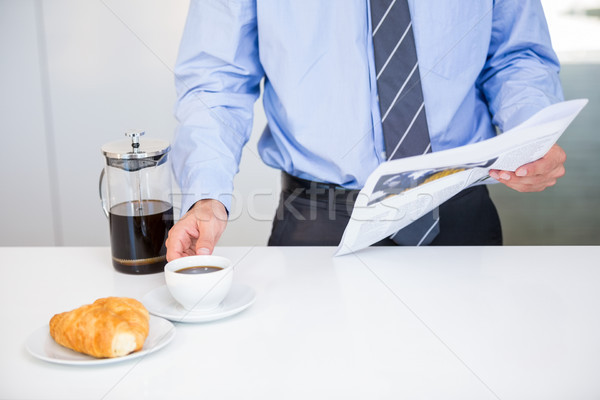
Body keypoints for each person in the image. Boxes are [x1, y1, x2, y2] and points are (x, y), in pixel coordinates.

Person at [166, 0, 566, 261]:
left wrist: (531, 132)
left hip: (460, 207)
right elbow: (217, 83)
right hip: (317, 223)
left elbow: (518, 55)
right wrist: (206, 195)